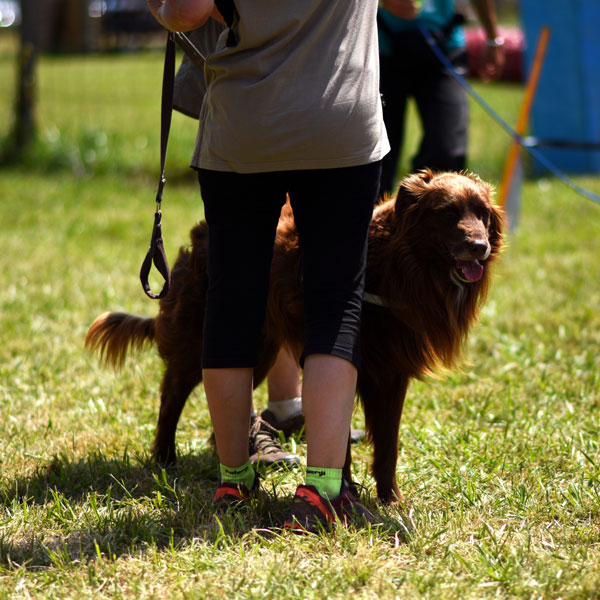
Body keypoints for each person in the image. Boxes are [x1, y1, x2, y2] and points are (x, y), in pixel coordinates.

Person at [147, 0, 389, 532]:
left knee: (233, 299)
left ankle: (234, 477)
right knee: (336, 301)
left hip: (244, 123)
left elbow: (185, 11)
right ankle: (324, 490)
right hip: (341, 121)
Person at [378, 0, 505, 195]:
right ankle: (372, 221)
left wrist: (492, 38)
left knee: (446, 153)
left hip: (444, 45)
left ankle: (425, 219)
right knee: (376, 158)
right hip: (380, 45)